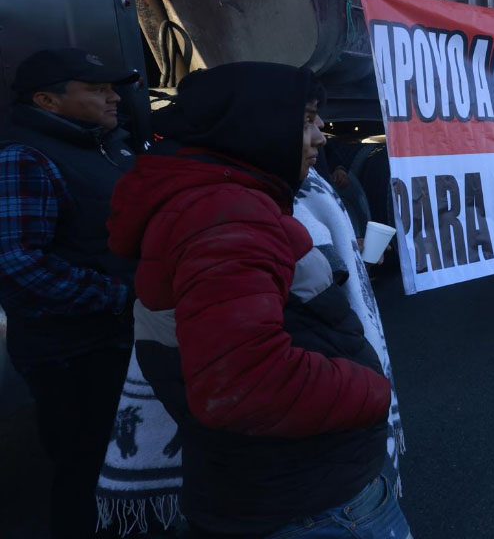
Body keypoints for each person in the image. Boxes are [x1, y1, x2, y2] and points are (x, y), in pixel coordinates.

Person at [106, 62, 407, 538]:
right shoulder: (225, 215)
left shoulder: (221, 202)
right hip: (308, 502)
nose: (321, 136)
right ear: (256, 121)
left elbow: (262, 309)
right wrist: (373, 390)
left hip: (274, 484)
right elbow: (244, 386)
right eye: (307, 119)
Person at [0, 47, 139, 538]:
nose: (112, 97)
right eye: (95, 89)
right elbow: (17, 263)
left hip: (120, 339)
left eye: (111, 87)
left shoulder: (108, 146)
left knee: (129, 464)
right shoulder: (25, 158)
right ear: (47, 100)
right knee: (88, 471)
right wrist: (121, 295)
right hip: (73, 352)